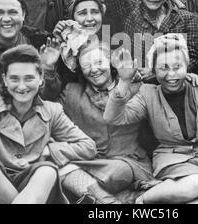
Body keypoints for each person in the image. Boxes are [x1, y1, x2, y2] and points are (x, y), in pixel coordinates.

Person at [103, 35, 198, 204]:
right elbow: (113, 118)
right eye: (163, 68)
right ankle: (143, 199)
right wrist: (124, 81)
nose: (171, 74)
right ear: (153, 69)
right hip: (173, 160)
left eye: (177, 67)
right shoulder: (147, 94)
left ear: (187, 66)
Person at [0, 44, 96, 203]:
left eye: (29, 78)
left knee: (48, 171)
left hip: (27, 187)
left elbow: (88, 146)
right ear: (5, 80)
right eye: (14, 79)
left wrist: (49, 150)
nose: (21, 86)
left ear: (40, 79)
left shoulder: (52, 111)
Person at [57, 42, 157, 203]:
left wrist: (188, 76)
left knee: (116, 171)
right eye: (86, 65)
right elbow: (48, 111)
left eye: (99, 62)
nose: (94, 69)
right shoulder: (72, 92)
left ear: (110, 63)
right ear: (81, 70)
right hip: (89, 160)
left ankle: (95, 194)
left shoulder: (135, 86)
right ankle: (113, 201)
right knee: (59, 166)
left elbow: (166, 94)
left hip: (128, 161)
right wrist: (47, 70)